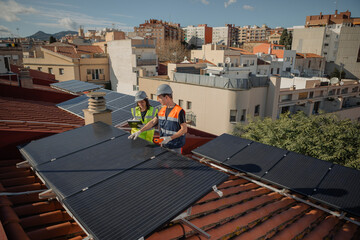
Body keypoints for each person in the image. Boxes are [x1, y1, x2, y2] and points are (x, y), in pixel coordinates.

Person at [128, 84, 187, 153]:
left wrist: (170, 138)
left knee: (174, 163)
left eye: (160, 98)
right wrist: (140, 131)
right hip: (164, 144)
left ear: (167, 97)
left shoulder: (179, 111)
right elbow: (153, 122)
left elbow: (184, 129)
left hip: (175, 146)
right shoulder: (161, 110)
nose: (158, 100)